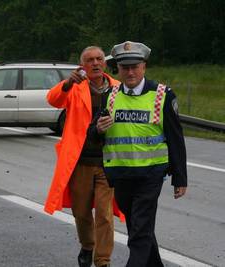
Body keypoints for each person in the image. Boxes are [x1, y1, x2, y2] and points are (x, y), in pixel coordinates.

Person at [96, 41, 188, 267]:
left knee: (139, 231)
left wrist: (180, 177)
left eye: (135, 66)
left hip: (151, 174)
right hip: (121, 174)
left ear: (144, 66)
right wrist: (98, 128)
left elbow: (176, 138)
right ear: (117, 68)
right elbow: (93, 131)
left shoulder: (162, 95)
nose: (130, 72)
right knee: (140, 227)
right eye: (124, 67)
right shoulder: (109, 94)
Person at [44, 46, 123, 267]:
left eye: (99, 59)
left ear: (105, 64)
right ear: (83, 66)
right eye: (90, 60)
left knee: (105, 215)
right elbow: (53, 99)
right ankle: (88, 246)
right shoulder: (75, 88)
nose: (95, 63)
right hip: (80, 162)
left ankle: (102, 260)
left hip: (108, 162)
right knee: (81, 211)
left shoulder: (118, 89)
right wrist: (68, 83)